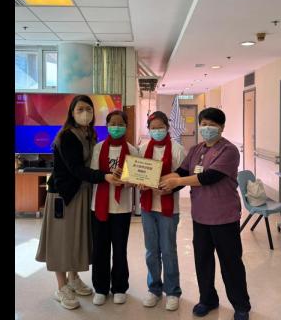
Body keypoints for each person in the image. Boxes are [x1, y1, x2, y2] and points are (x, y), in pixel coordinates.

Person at [159, 107, 251, 320]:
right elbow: (181, 172)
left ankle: (241, 305)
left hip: (224, 217)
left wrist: (175, 181)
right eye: (204, 124)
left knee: (231, 263)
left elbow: (208, 177)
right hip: (200, 216)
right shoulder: (196, 149)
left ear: (222, 127)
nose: (207, 128)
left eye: (212, 124)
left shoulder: (229, 151)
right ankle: (208, 299)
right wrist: (158, 181)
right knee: (203, 261)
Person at [35, 95, 122, 310]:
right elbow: (76, 169)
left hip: (82, 193)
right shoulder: (67, 136)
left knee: (75, 238)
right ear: (72, 113)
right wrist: (104, 176)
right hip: (63, 195)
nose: (85, 113)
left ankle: (73, 278)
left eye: (89, 109)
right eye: (80, 109)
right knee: (60, 240)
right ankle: (61, 286)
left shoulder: (90, 134)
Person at [137, 111, 186, 311]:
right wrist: (139, 183)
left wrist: (169, 187)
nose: (157, 131)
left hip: (169, 209)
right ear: (148, 129)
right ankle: (154, 288)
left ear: (167, 127)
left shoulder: (177, 150)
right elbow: (137, 174)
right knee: (151, 251)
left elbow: (183, 178)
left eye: (160, 127)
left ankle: (173, 291)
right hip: (148, 208)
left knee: (168, 250)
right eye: (153, 128)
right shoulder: (142, 149)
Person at [89, 110, 138, 305]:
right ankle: (100, 288)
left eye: (120, 124)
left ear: (126, 126)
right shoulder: (98, 148)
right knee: (100, 249)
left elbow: (136, 179)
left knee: (119, 249)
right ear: (107, 126)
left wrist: (126, 181)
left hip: (122, 208)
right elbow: (94, 174)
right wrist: (107, 177)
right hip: (99, 206)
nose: (116, 127)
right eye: (113, 124)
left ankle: (119, 287)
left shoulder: (133, 150)